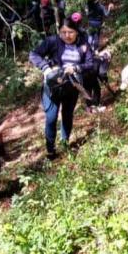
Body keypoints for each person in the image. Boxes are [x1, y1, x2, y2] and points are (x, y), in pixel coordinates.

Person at [29, 18, 94, 159]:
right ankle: (50, 149)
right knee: (51, 117)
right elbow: (34, 54)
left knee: (67, 115)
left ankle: (65, 142)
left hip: (72, 86)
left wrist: (76, 68)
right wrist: (45, 68)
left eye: (70, 32)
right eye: (63, 32)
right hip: (53, 87)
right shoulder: (53, 41)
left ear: (76, 32)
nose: (67, 36)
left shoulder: (83, 44)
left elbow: (90, 63)